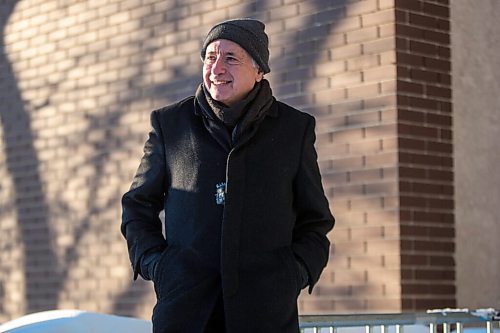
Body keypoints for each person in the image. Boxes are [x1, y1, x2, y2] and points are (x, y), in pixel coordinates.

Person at [121, 18, 335, 333]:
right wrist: (158, 264)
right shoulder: (171, 125)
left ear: (259, 70)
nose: (217, 68)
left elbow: (315, 222)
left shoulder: (294, 130)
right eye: (210, 57)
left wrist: (294, 273)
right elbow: (137, 205)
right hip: (185, 315)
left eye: (230, 58)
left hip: (266, 317)